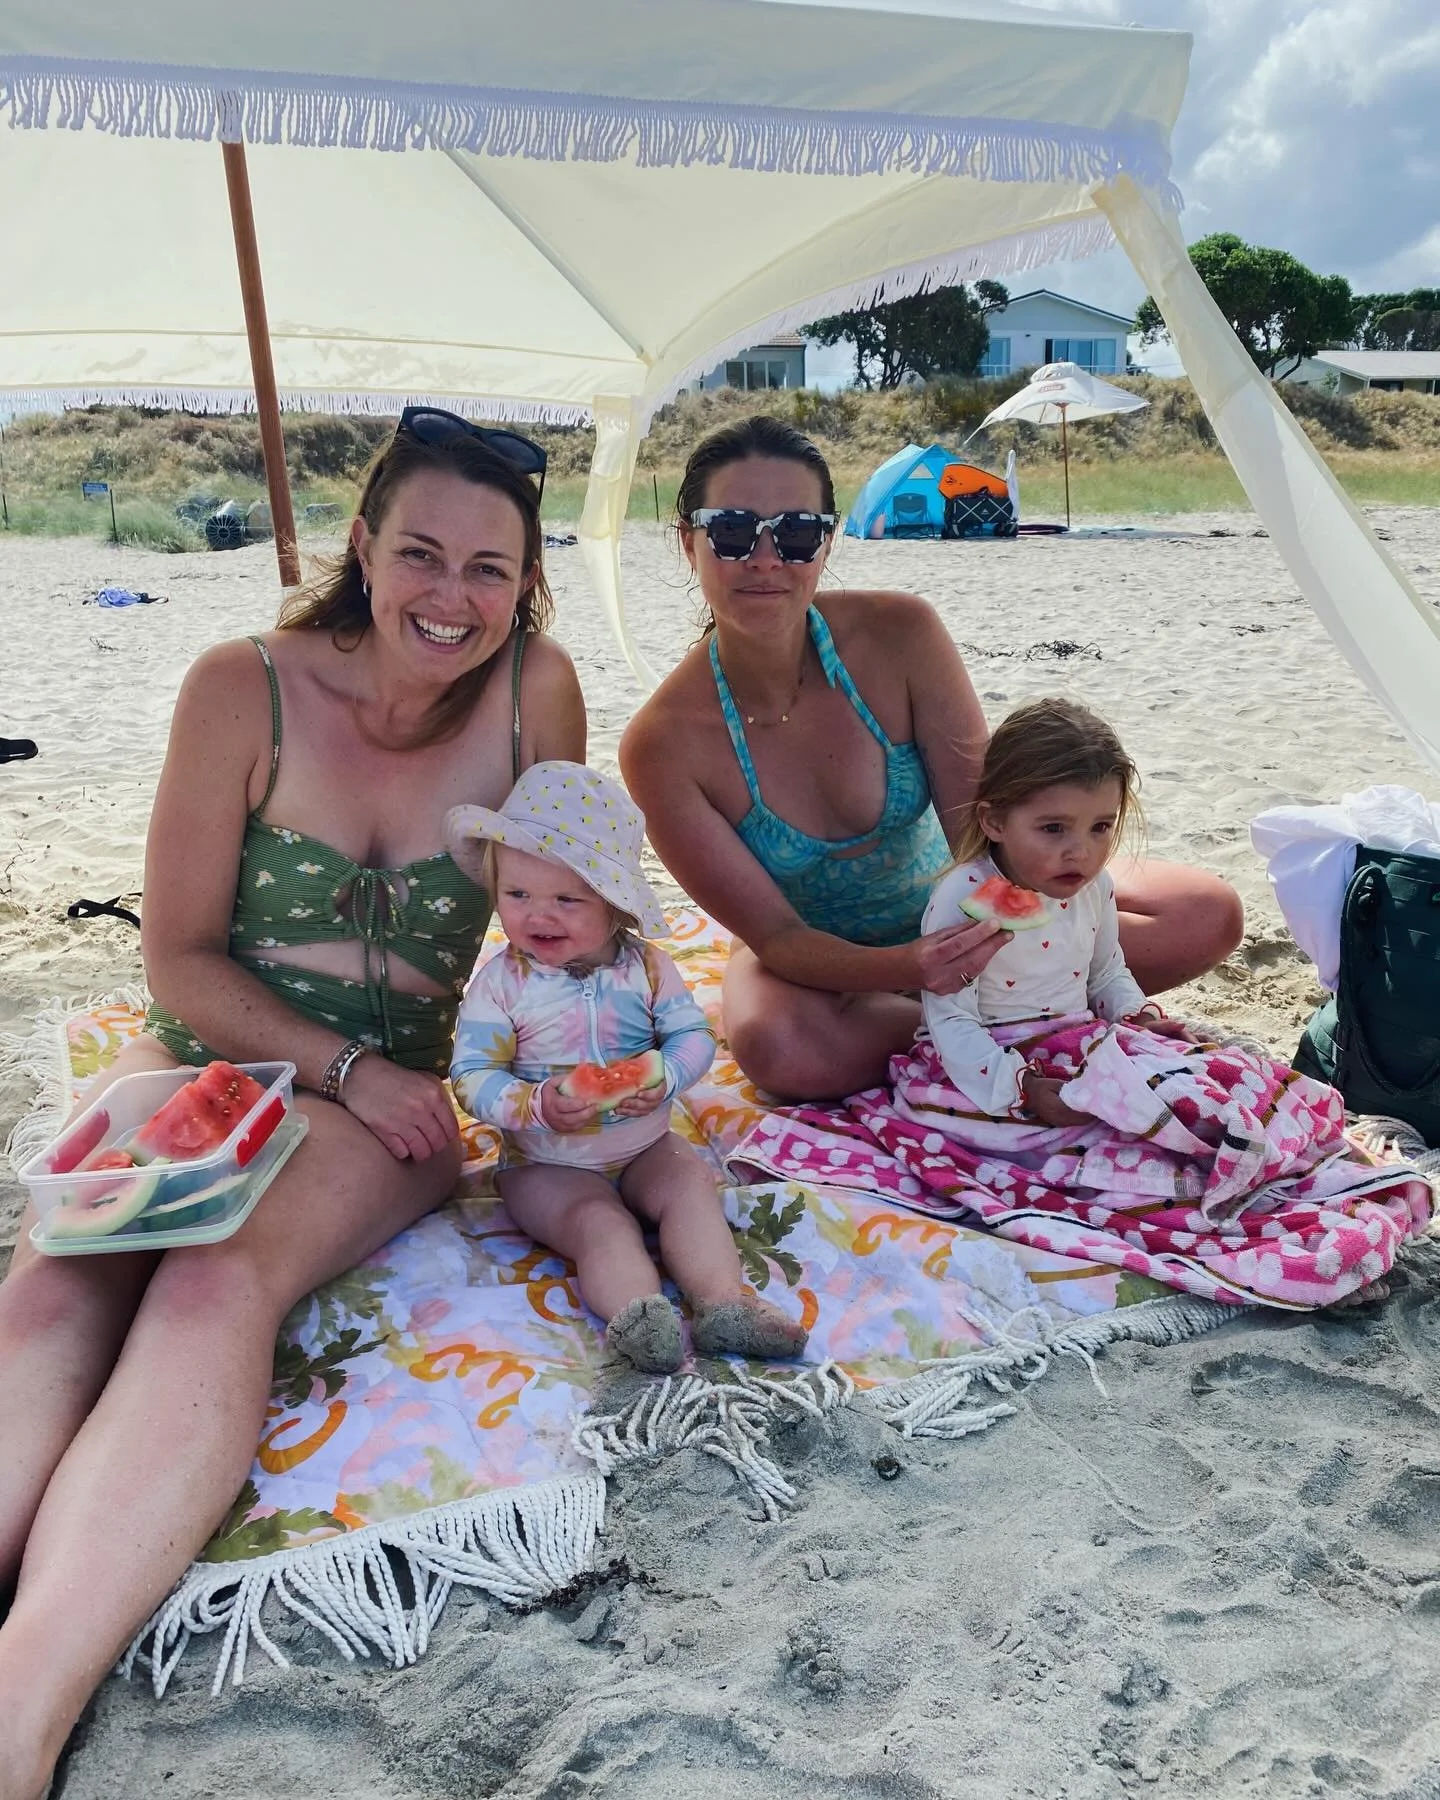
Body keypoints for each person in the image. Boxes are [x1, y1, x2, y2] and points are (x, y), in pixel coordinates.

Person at [0, 407, 585, 1800]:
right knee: (61, 1278)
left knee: (214, 1281)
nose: (452, 598)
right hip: (209, 1044)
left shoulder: (535, 698)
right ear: (364, 547)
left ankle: (19, 1715)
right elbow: (178, 959)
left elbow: (567, 915)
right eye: (423, 555)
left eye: (490, 571)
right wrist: (335, 1065)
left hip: (385, 1109)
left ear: (526, 586)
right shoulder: (239, 688)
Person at [620, 414, 1243, 1102]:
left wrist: (976, 935)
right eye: (733, 531)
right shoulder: (661, 744)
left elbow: (980, 826)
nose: (766, 559)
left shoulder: (900, 632)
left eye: (797, 534)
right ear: (689, 543)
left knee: (1209, 914)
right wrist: (914, 968)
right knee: (781, 1051)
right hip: (818, 964)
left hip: (965, 913)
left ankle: (961, 1025)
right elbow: (778, 934)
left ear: (826, 545)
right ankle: (976, 1025)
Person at [447, 762, 808, 1374]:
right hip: (545, 1164)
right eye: (517, 896)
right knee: (600, 1224)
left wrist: (665, 1077)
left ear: (615, 907)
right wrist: (532, 1106)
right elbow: (471, 1075)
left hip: (645, 1146)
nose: (540, 916)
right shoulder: (500, 985)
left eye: (567, 899)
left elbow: (693, 1038)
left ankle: (724, 1305)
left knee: (691, 1184)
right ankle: (641, 1323)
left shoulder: (648, 969)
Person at [921, 697, 1194, 1125]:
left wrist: (1138, 1017)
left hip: (1080, 1044)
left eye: (1100, 827)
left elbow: (1106, 974)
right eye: (1053, 828)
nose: (1080, 852)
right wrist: (1021, 1089)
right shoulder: (965, 895)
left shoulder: (1094, 886)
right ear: (994, 822)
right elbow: (951, 1016)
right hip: (987, 1067)